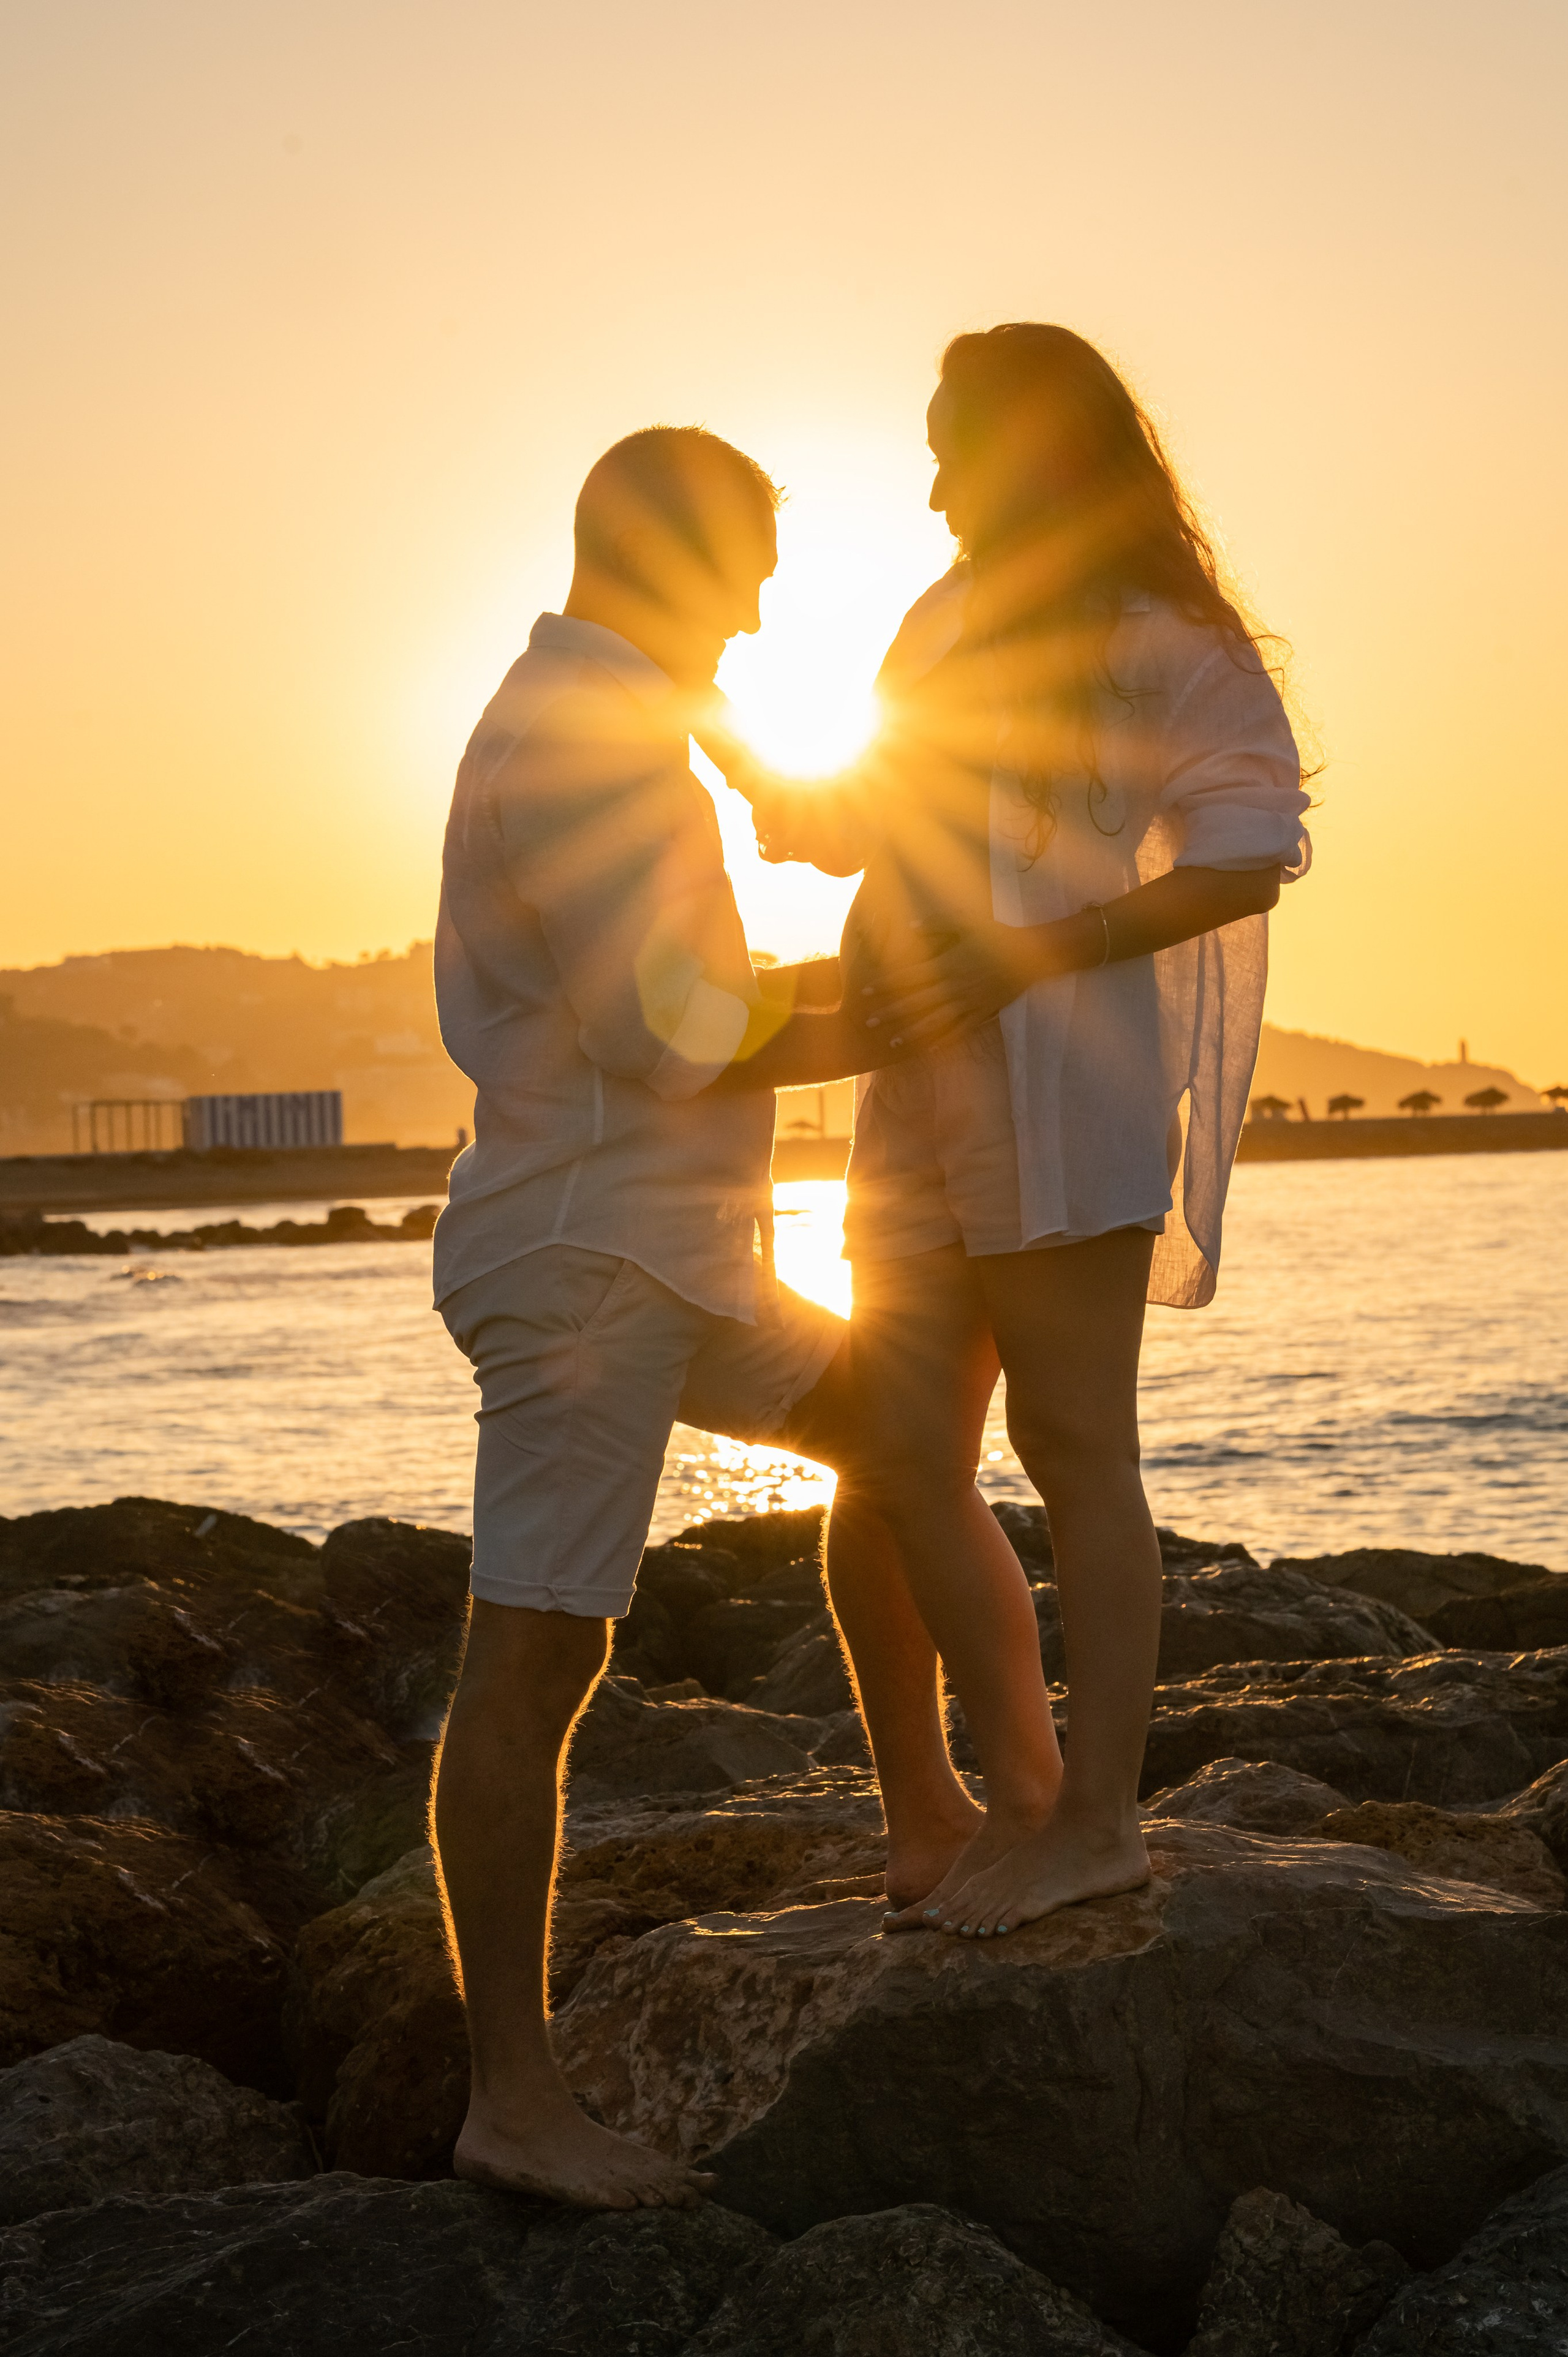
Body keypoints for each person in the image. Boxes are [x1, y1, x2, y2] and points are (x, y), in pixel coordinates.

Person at [706, 323, 1313, 1940]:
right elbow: (871, 824)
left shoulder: (1163, 640)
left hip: (1069, 1097)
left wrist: (1028, 952)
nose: (929, 479)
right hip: (915, 1103)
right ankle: (937, 1810)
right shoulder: (941, 619)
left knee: (1073, 1449)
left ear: (1032, 448)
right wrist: (742, 754)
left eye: (950, 444)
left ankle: (1099, 1822)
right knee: (889, 1453)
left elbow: (1249, 851)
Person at [428, 426, 891, 2211]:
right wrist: (923, 1004)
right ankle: (512, 2104)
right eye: (751, 576)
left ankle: (932, 1825)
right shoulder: (585, 741)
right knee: (534, 1658)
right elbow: (669, 1030)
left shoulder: (606, 721)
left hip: (670, 1255)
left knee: (897, 1427)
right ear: (678, 559)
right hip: (589, 1267)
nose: (763, 613)